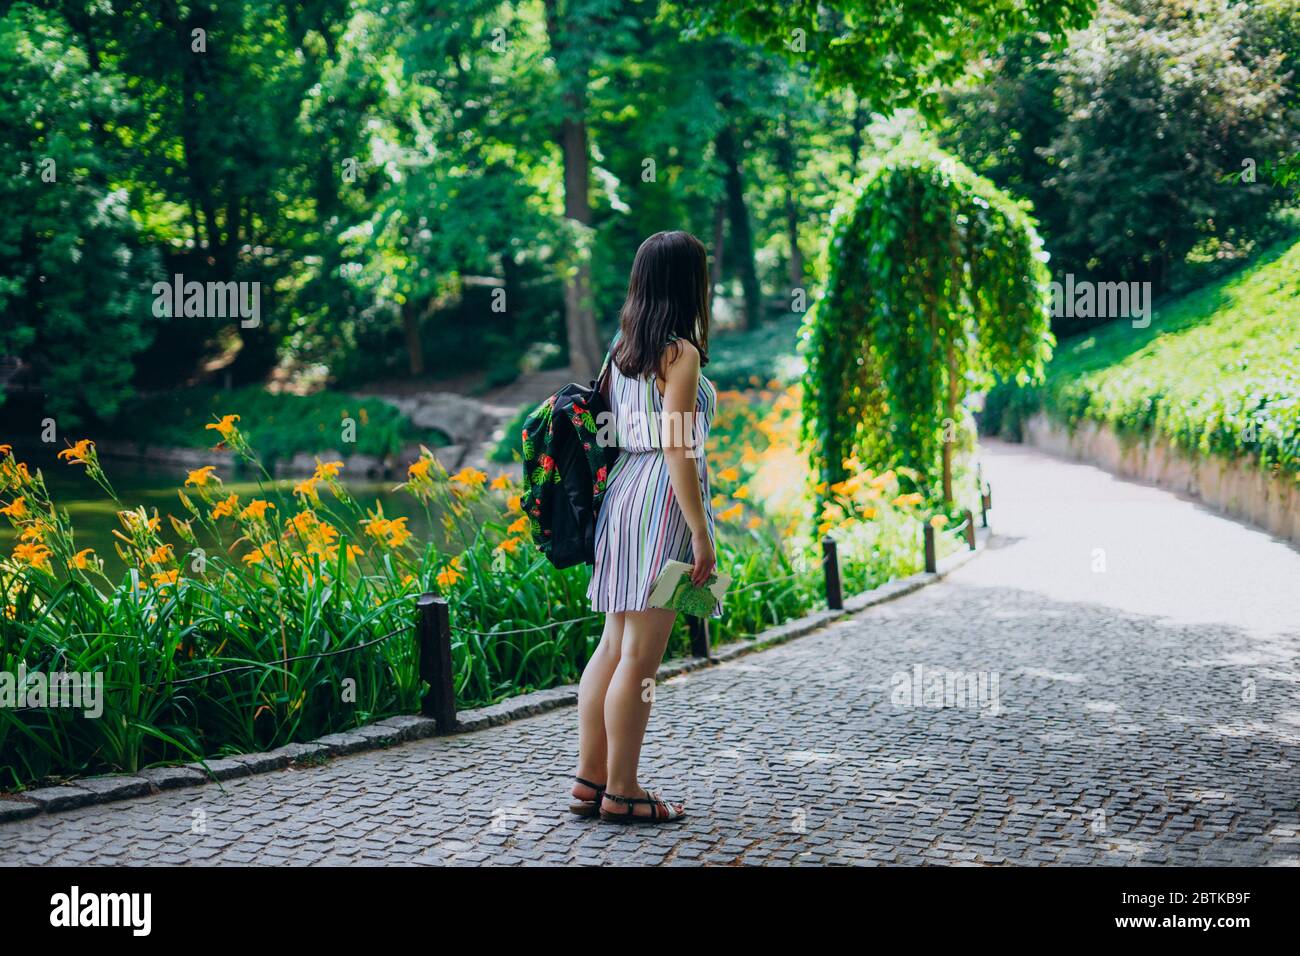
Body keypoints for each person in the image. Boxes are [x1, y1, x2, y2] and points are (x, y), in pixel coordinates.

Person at [569, 230, 719, 824]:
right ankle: (624, 789)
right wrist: (702, 533)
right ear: (689, 285)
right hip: (662, 500)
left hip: (622, 497)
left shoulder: (621, 350)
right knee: (640, 657)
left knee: (611, 645)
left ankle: (591, 776)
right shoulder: (680, 354)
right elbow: (679, 449)